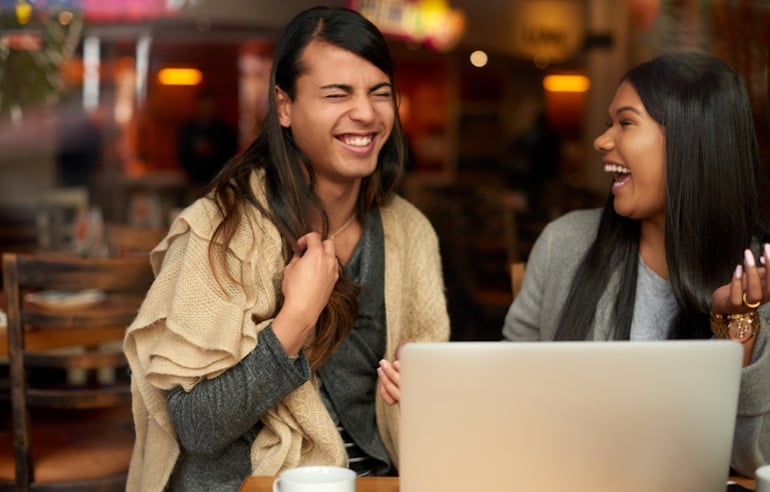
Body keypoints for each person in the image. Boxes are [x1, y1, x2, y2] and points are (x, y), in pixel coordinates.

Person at [124, 6, 450, 491]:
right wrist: (293, 322)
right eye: (337, 94)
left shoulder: (410, 232)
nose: (365, 112)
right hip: (256, 482)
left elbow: (436, 405)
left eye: (379, 93)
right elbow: (195, 427)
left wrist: (426, 385)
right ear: (284, 106)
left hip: (376, 480)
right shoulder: (221, 230)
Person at [502, 51, 770, 478]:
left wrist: (738, 331)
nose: (602, 140)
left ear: (690, 140)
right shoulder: (565, 243)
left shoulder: (757, 277)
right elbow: (505, 401)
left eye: (625, 123)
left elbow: (755, 462)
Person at [176, 87, 239, 196]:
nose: (206, 109)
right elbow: (182, 154)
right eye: (204, 105)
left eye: (210, 105)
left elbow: (229, 156)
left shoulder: (224, 130)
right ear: (198, 105)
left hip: (218, 185)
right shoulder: (188, 129)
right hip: (193, 184)